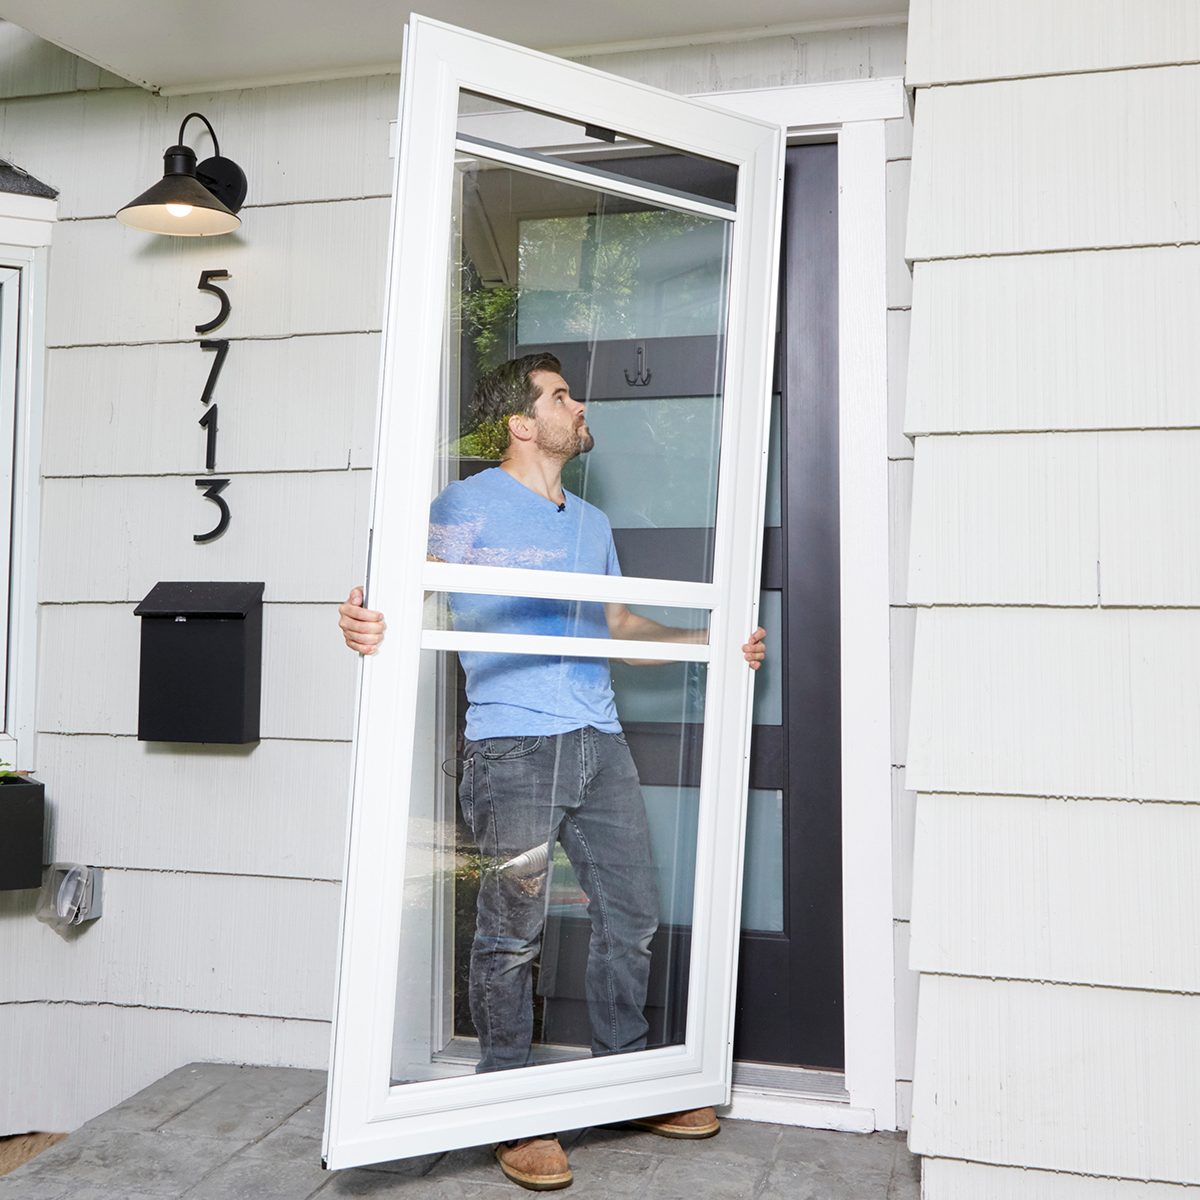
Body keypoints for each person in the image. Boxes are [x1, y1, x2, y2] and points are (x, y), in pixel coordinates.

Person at [339, 352, 766, 1191]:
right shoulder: (464, 508)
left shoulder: (591, 522)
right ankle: (509, 1107)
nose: (579, 405)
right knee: (511, 933)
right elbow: (393, 590)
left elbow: (614, 623)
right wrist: (357, 617)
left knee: (632, 916)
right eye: (562, 396)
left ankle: (624, 1079)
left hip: (598, 742)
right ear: (522, 422)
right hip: (513, 748)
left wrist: (706, 643)